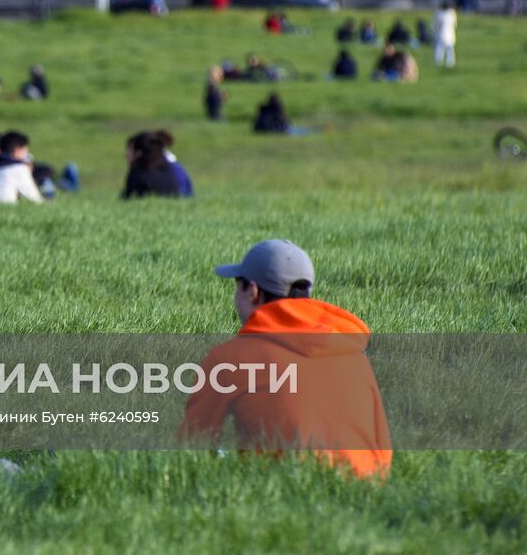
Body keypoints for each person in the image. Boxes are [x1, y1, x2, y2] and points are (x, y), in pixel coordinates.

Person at [180, 239, 392, 480]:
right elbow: (382, 446)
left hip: (280, 489)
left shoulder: (229, 359)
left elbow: (191, 446)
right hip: (364, 488)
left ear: (253, 291)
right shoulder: (353, 352)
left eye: (237, 287)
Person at [0, 130, 43, 204]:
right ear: (17, 150)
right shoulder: (19, 169)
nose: (26, 154)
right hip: (6, 210)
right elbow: (35, 200)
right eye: (25, 150)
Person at [121, 130, 184, 198]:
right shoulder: (170, 169)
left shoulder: (137, 175)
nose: (126, 155)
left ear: (138, 153)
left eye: (129, 150)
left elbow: (127, 199)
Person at [433, 3, 457, 69]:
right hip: (449, 34)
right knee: (449, 49)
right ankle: (450, 63)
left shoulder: (440, 14)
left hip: (442, 33)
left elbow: (435, 25)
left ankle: (438, 62)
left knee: (440, 48)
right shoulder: (452, 14)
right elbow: (455, 25)